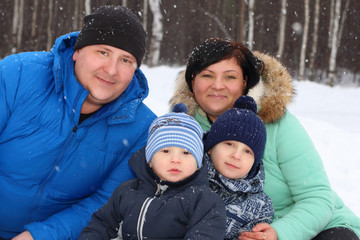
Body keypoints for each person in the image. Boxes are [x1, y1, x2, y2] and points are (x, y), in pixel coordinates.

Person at [169, 38, 360, 240]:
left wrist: (279, 233)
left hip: (315, 228)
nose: (218, 86)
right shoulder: (183, 129)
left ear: (245, 82)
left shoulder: (276, 123)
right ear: (192, 80)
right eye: (207, 75)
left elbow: (317, 197)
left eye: (230, 77)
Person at [0, 5, 156, 240]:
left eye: (125, 60)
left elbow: (105, 202)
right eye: (102, 52)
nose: (111, 70)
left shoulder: (142, 129)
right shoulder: (19, 75)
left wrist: (39, 236)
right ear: (77, 51)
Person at [79, 104, 227, 240]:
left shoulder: (204, 200)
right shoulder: (127, 191)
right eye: (166, 151)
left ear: (197, 164)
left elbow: (205, 235)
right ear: (150, 159)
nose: (175, 159)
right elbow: (102, 224)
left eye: (186, 153)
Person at [203, 95, 273, 240]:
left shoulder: (260, 206)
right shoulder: (189, 178)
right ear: (210, 147)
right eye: (229, 144)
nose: (236, 155)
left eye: (247, 151)